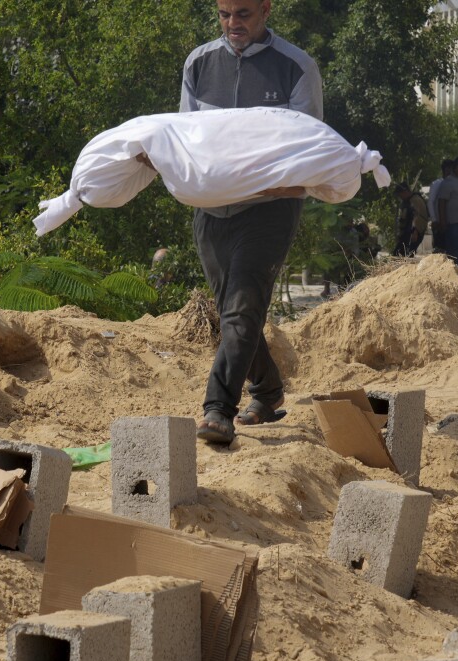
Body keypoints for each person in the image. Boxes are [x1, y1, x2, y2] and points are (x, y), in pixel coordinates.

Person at [179, 0, 322, 444]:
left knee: (242, 306)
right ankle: (268, 390)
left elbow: (308, 141)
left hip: (268, 209)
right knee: (234, 312)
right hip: (212, 210)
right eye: (224, 14)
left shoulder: (296, 67)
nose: (231, 24)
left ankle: (218, 408)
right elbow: (184, 135)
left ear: (266, 10)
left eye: (242, 13)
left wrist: (283, 184)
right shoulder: (199, 62)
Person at [392, 183, 429, 257]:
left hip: (413, 234)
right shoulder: (407, 201)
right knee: (398, 254)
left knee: (407, 255)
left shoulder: (416, 200)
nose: (400, 197)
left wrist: (415, 232)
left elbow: (418, 217)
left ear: (405, 192)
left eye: (400, 194)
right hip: (406, 234)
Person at [426, 159, 453, 253]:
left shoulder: (455, 184)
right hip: (439, 223)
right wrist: (434, 220)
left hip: (451, 223)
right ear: (444, 170)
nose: (450, 172)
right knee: (439, 249)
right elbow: (431, 202)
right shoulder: (437, 184)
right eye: (448, 169)